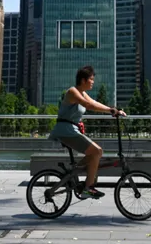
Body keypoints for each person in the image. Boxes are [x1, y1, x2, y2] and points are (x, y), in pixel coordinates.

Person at [49, 65, 126, 199]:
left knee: (97, 152)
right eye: (91, 79)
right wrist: (111, 111)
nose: (93, 81)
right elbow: (89, 106)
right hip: (65, 130)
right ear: (83, 80)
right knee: (96, 151)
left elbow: (94, 102)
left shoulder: (83, 93)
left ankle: (74, 172)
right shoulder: (73, 92)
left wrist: (113, 110)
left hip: (71, 129)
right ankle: (88, 188)